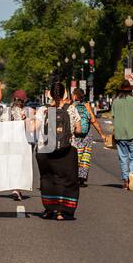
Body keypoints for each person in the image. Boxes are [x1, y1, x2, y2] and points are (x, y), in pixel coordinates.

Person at [35, 82, 82, 221]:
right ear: (65, 94)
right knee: (67, 181)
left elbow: (33, 128)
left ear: (49, 94)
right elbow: (78, 130)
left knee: (48, 179)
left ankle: (50, 209)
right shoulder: (71, 109)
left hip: (45, 150)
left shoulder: (43, 110)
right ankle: (63, 211)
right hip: (67, 150)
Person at [111, 80, 133, 191]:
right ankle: (132, 173)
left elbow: (113, 116)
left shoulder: (115, 102)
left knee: (123, 158)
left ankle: (126, 181)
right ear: (131, 90)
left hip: (120, 133)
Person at [72, 88, 106, 187]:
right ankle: (82, 180)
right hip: (87, 135)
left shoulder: (72, 106)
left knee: (76, 156)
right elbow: (93, 120)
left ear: (74, 96)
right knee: (85, 156)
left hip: (75, 134)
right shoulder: (87, 105)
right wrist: (101, 134)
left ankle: (74, 177)